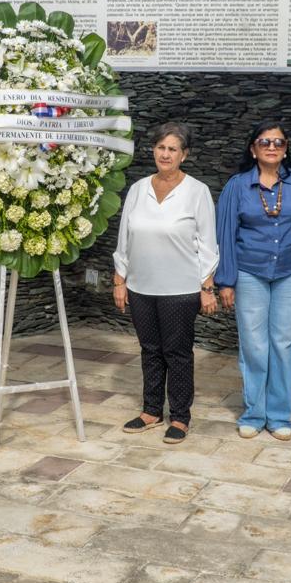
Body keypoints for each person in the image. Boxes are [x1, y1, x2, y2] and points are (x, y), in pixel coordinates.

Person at [215, 121, 291, 440]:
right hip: (250, 271)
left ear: (286, 148)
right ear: (253, 149)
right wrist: (226, 280)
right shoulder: (237, 185)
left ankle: (279, 415)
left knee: (284, 342)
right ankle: (254, 412)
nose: (272, 147)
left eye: (278, 142)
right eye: (265, 142)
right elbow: (225, 234)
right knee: (253, 343)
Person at [113, 123, 219, 444]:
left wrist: (207, 287)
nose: (165, 154)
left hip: (181, 290)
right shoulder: (138, 189)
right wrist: (120, 280)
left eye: (173, 149)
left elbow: (208, 244)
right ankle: (151, 410)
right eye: (161, 147)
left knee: (178, 353)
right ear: (153, 151)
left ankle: (181, 417)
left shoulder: (196, 191)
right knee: (149, 350)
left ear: (184, 155)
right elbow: (125, 239)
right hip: (141, 288)